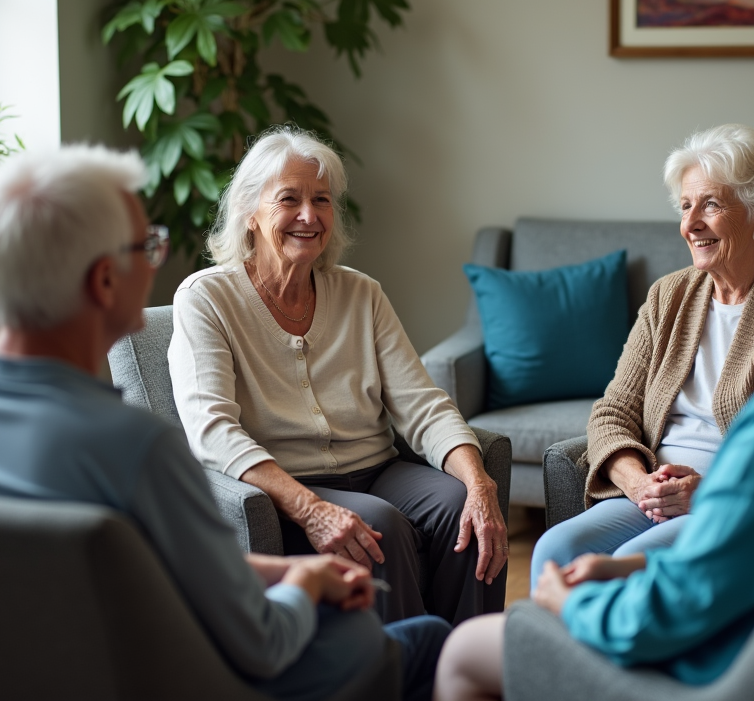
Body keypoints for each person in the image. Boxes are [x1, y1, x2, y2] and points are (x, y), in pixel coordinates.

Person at [434, 145, 754, 700]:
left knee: (465, 650)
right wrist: (620, 561)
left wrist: (576, 603)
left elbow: (680, 607)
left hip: (730, 671)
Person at [0, 145, 449, 701]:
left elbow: (150, 566)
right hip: (204, 681)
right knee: (429, 641)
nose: (156, 260)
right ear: (105, 280)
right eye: (146, 246)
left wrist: (276, 575)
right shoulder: (135, 448)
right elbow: (263, 642)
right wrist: (301, 583)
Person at [168, 127, 508, 626]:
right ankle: (402, 676)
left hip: (378, 469)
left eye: (321, 200)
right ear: (250, 212)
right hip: (286, 484)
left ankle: (464, 671)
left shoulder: (361, 294)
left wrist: (479, 483)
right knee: (379, 527)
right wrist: (308, 508)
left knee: (462, 506)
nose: (309, 215)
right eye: (289, 199)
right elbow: (212, 429)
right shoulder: (207, 298)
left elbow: (422, 404)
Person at [531, 124, 754, 586]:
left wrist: (709, 493)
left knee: (634, 565)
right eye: (685, 206)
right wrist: (639, 484)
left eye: (711, 204)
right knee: (554, 550)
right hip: (650, 493)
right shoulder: (669, 296)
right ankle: (552, 659)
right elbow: (612, 412)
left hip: (729, 504)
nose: (691, 223)